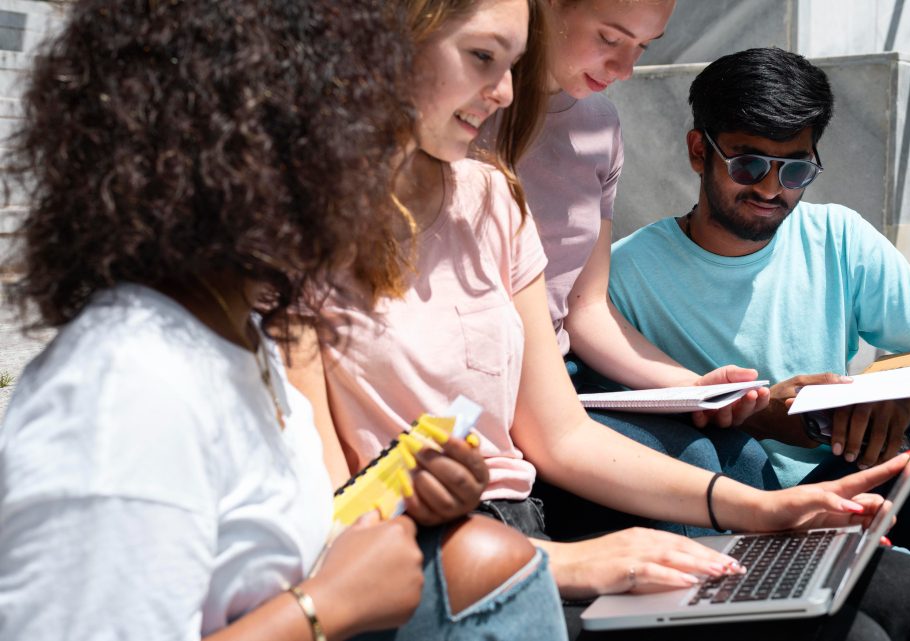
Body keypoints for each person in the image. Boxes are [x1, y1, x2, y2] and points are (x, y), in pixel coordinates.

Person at [288, 2, 910, 639]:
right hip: (446, 556)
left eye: (792, 170)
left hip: (521, 519)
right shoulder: (292, 232)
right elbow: (335, 523)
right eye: (482, 59)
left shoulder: (495, 194)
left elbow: (559, 430)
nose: (503, 93)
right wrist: (582, 560)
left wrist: (761, 509)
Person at [0, 1, 566, 639]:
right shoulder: (124, 387)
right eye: (366, 129)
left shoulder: (234, 340)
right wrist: (326, 608)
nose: (393, 170)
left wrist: (404, 498)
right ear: (248, 151)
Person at [607, 46, 910, 638]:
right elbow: (614, 432)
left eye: (795, 170)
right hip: (751, 504)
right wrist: (761, 416)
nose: (772, 188)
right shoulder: (625, 276)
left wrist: (885, 398)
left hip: (867, 466)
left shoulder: (836, 235)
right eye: (748, 165)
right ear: (698, 151)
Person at [502, 0, 780, 542]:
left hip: (566, 378)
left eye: (643, 48)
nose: (625, 69)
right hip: (502, 389)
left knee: (742, 456)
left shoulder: (600, 125)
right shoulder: (469, 117)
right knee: (692, 457)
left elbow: (586, 310)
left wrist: (695, 387)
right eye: (610, 38)